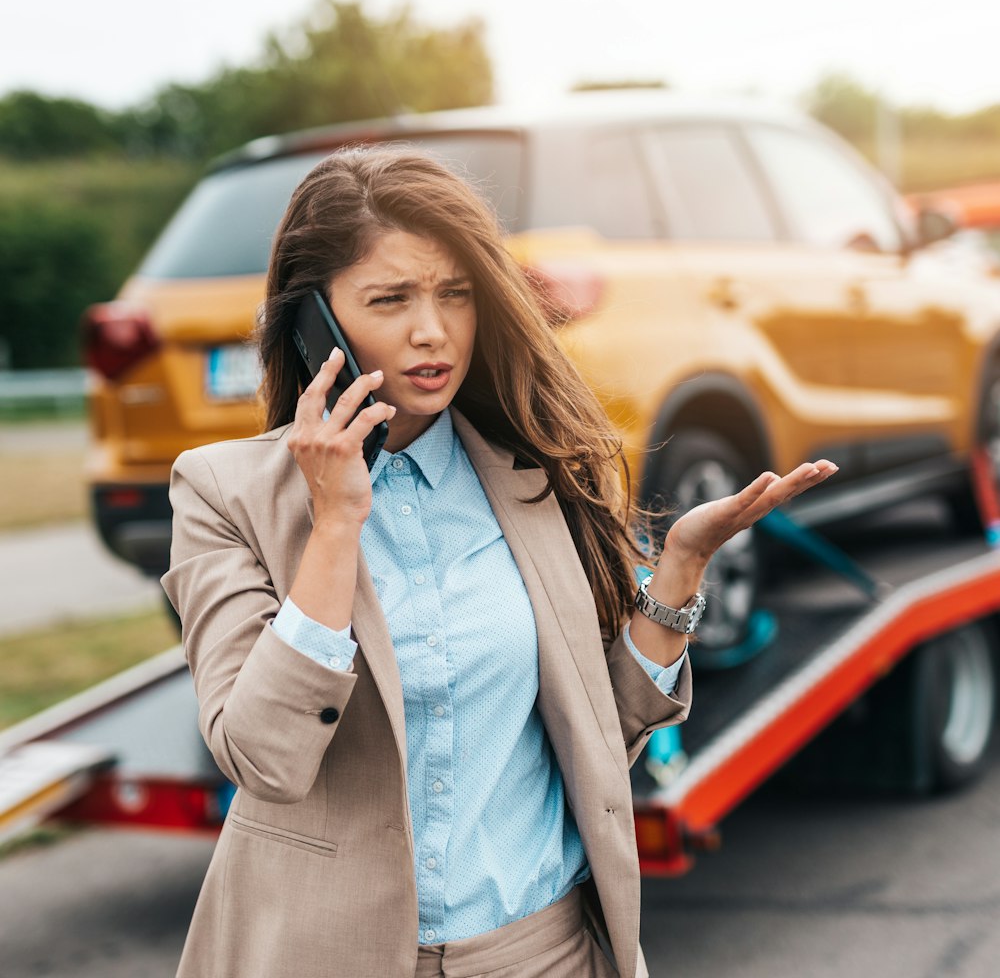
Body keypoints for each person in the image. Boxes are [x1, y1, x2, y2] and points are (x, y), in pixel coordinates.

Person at [162, 146, 836, 978]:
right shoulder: (223, 494)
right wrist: (335, 527)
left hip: (540, 953)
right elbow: (265, 758)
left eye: (455, 294)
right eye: (390, 298)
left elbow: (602, 739)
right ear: (314, 322)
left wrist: (679, 571)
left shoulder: (538, 475)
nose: (432, 331)